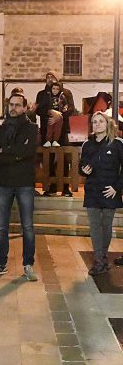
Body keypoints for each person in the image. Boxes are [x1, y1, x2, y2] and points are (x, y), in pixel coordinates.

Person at [0, 93, 39, 282]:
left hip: (24, 183)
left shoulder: (32, 129)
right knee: (1, 228)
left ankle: (28, 265)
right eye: (11, 105)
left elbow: (28, 151)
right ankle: (0, 263)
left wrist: (5, 151)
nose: (13, 108)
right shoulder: (0, 130)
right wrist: (15, 155)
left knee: (28, 227)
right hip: (3, 183)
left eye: (18, 105)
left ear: (25, 108)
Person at [79, 112, 123, 275]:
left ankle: (102, 257)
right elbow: (82, 168)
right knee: (95, 227)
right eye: (94, 122)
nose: (97, 124)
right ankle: (99, 261)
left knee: (106, 226)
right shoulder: (87, 145)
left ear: (107, 124)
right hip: (92, 191)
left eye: (100, 121)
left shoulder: (117, 144)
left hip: (110, 191)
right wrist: (83, 170)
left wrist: (117, 188)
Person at [36, 71, 75, 197]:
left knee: (64, 158)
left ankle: (65, 187)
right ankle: (51, 187)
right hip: (47, 130)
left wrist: (59, 116)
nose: (49, 79)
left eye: (52, 77)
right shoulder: (41, 94)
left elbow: (71, 108)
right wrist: (51, 112)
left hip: (62, 131)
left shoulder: (67, 93)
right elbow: (39, 110)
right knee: (48, 159)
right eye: (47, 77)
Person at [42, 82, 68, 148]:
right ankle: (48, 140)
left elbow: (66, 104)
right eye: (53, 88)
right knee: (50, 128)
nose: (55, 90)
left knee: (57, 128)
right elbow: (45, 106)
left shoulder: (62, 97)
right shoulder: (48, 96)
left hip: (59, 115)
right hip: (50, 115)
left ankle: (55, 140)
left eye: (57, 89)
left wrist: (65, 108)